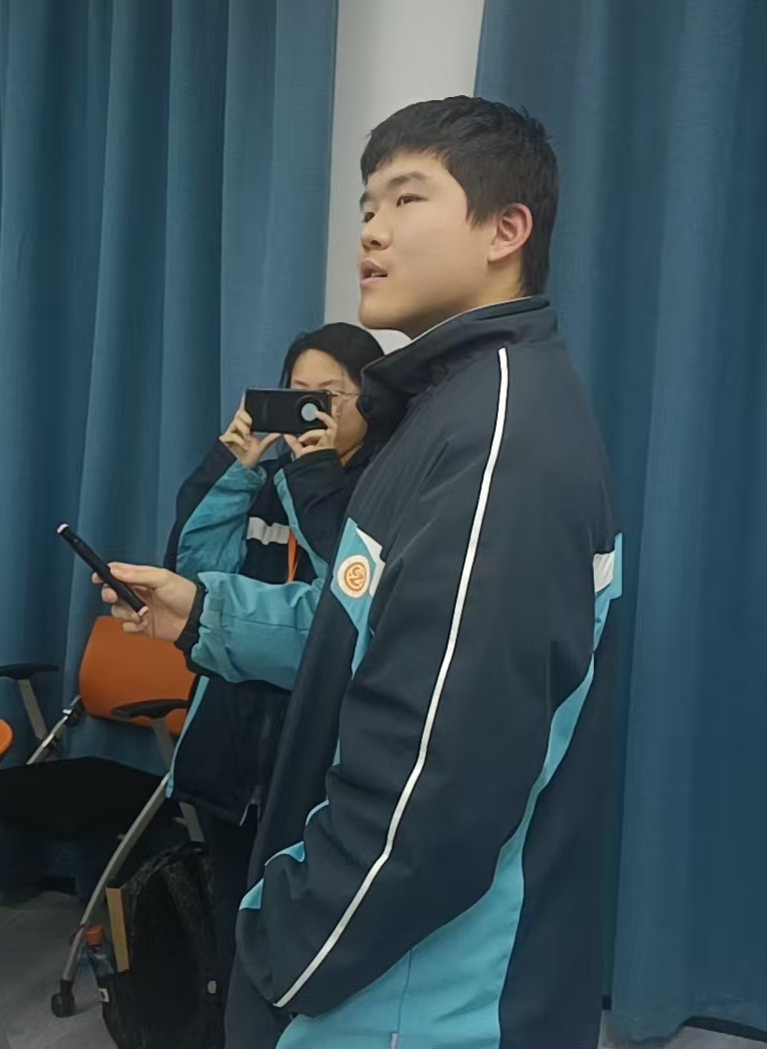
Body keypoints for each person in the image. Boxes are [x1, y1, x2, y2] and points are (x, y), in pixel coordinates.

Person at [101, 97, 623, 1048]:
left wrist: (283, 948)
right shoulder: (443, 411)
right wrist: (206, 613)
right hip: (381, 960)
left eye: (407, 199)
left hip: (414, 991)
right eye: (367, 205)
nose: (372, 231)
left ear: (507, 230)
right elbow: (369, 630)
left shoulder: (496, 442)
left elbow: (438, 790)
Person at [157, 322, 385, 998]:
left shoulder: (383, 489)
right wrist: (233, 466)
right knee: (235, 938)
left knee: (309, 949)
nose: (308, 410)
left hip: (320, 766)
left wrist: (315, 475)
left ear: (369, 401)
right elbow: (192, 575)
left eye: (328, 396)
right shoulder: (263, 481)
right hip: (231, 756)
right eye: (296, 393)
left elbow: (349, 610)